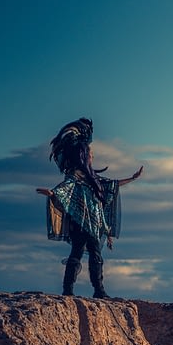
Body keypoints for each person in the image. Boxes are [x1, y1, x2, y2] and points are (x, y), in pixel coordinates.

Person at [36, 118, 143, 298]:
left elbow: (111, 185)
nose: (92, 155)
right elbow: (65, 189)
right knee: (77, 253)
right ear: (84, 156)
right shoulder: (75, 177)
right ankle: (68, 290)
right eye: (90, 153)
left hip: (94, 224)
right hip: (79, 222)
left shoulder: (92, 178)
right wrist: (53, 194)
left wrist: (132, 179)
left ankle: (98, 290)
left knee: (95, 255)